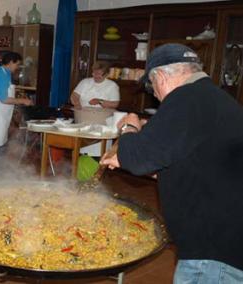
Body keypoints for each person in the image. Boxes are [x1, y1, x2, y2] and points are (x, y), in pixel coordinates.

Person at [101, 43, 243, 283]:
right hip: (226, 239)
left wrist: (129, 127)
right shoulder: (211, 98)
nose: (154, 93)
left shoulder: (184, 99)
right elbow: (188, 160)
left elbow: (139, 160)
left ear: (162, 76)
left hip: (212, 250)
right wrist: (131, 153)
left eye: (151, 85)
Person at [0, 52, 33, 166]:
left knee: (1, 144)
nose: (17, 67)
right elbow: (4, 99)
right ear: (10, 63)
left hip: (0, 114)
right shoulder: (0, 74)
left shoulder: (6, 73)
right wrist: (23, 101)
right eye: (17, 64)